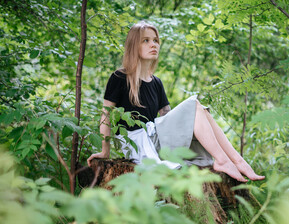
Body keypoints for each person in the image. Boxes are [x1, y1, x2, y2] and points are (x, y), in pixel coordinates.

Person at [87, 21, 265, 182]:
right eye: (146, 41)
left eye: (155, 40)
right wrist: (105, 150)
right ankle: (224, 160)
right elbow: (106, 115)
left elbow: (168, 118)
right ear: (134, 45)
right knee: (195, 105)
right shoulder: (120, 77)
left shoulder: (155, 82)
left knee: (200, 109)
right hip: (140, 145)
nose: (153, 44)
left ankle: (237, 160)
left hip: (158, 139)